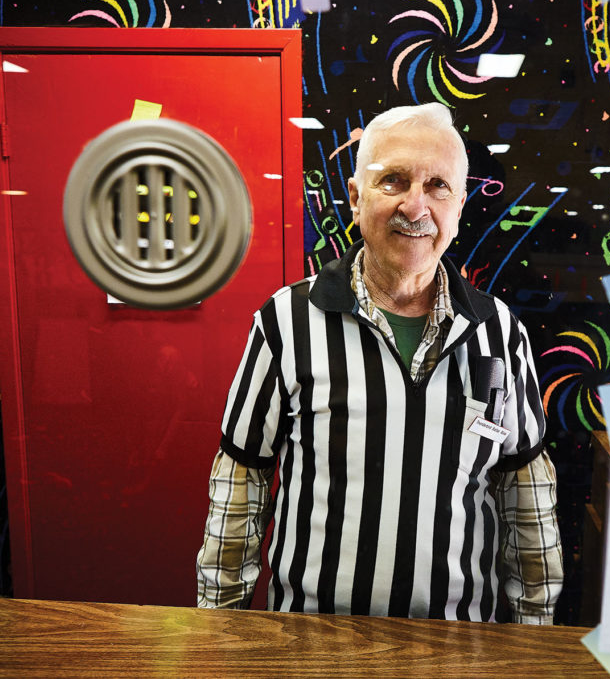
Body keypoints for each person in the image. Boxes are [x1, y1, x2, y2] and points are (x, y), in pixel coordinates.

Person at [196, 102, 563, 624]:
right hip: (311, 645)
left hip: (457, 650)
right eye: (393, 181)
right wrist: (218, 629)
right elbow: (240, 486)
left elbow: (526, 500)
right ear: (355, 197)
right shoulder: (285, 322)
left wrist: (535, 638)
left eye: (437, 186)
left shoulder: (499, 334)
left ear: (459, 206)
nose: (416, 207)